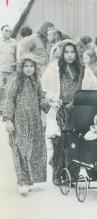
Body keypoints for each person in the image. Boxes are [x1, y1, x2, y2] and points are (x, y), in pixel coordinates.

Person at [3, 54, 50, 195]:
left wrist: (48, 103)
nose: (29, 69)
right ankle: (22, 182)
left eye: (31, 66)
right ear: (21, 67)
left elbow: (40, 98)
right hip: (19, 122)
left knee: (34, 150)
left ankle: (29, 180)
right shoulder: (16, 81)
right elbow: (9, 100)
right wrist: (8, 120)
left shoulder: (36, 81)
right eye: (26, 66)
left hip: (34, 122)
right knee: (20, 150)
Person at [41, 39, 84, 185]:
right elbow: (43, 85)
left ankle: (72, 175)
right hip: (60, 108)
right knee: (59, 141)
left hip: (76, 108)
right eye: (66, 52)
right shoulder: (55, 67)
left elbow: (93, 83)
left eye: (72, 52)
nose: (70, 55)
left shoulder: (81, 68)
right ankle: (57, 174)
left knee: (75, 141)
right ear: (62, 53)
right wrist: (53, 98)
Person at [0, 25, 16, 111]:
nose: (8, 32)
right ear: (2, 31)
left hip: (11, 70)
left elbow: (16, 56)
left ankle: (8, 108)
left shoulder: (14, 42)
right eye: (6, 30)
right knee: (0, 89)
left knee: (10, 89)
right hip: (1, 70)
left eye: (10, 31)